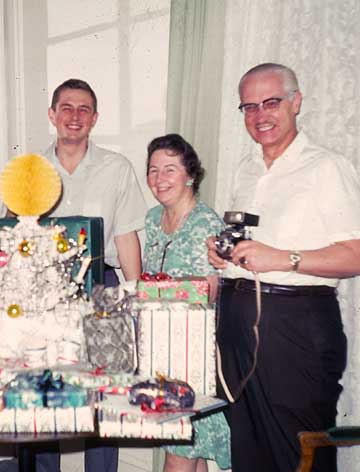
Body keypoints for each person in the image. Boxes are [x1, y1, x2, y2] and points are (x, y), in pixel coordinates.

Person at [207, 63, 360, 472]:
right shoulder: (245, 169)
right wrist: (223, 253)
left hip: (295, 328)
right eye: (249, 106)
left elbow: (355, 254)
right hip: (237, 323)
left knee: (297, 452)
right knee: (249, 452)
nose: (260, 115)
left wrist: (282, 257)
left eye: (271, 102)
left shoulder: (327, 167)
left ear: (296, 102)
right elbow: (248, 240)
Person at [40, 78, 147, 472]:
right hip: (47, 291)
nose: (75, 116)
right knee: (47, 389)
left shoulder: (116, 168)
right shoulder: (31, 170)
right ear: (52, 115)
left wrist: (136, 298)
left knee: (104, 394)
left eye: (84, 109)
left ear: (95, 118)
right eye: (66, 107)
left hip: (103, 287)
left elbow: (126, 235)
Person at [143, 134, 230, 472]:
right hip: (161, 346)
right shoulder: (153, 219)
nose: (159, 179)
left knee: (179, 446)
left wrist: (156, 291)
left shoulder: (207, 223)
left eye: (170, 169)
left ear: (190, 175)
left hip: (194, 351)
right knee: (189, 447)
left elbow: (212, 290)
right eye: (153, 170)